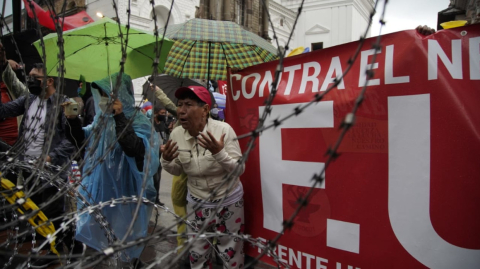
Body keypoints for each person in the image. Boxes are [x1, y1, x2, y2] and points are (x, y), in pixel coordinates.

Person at [75, 73, 160, 264]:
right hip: (101, 190)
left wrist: (120, 116)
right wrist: (72, 120)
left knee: (126, 239)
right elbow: (82, 139)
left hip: (126, 192)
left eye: (108, 94)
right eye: (102, 95)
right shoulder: (101, 119)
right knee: (103, 236)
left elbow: (136, 149)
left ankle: (131, 262)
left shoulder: (138, 120)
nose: (104, 100)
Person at [161, 86, 245, 269]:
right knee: (198, 254)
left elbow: (239, 169)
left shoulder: (223, 130)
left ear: (205, 110)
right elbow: (177, 170)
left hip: (228, 201)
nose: (181, 110)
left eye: (189, 105)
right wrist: (166, 161)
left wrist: (219, 153)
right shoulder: (176, 134)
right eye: (180, 104)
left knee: (230, 253)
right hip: (198, 203)